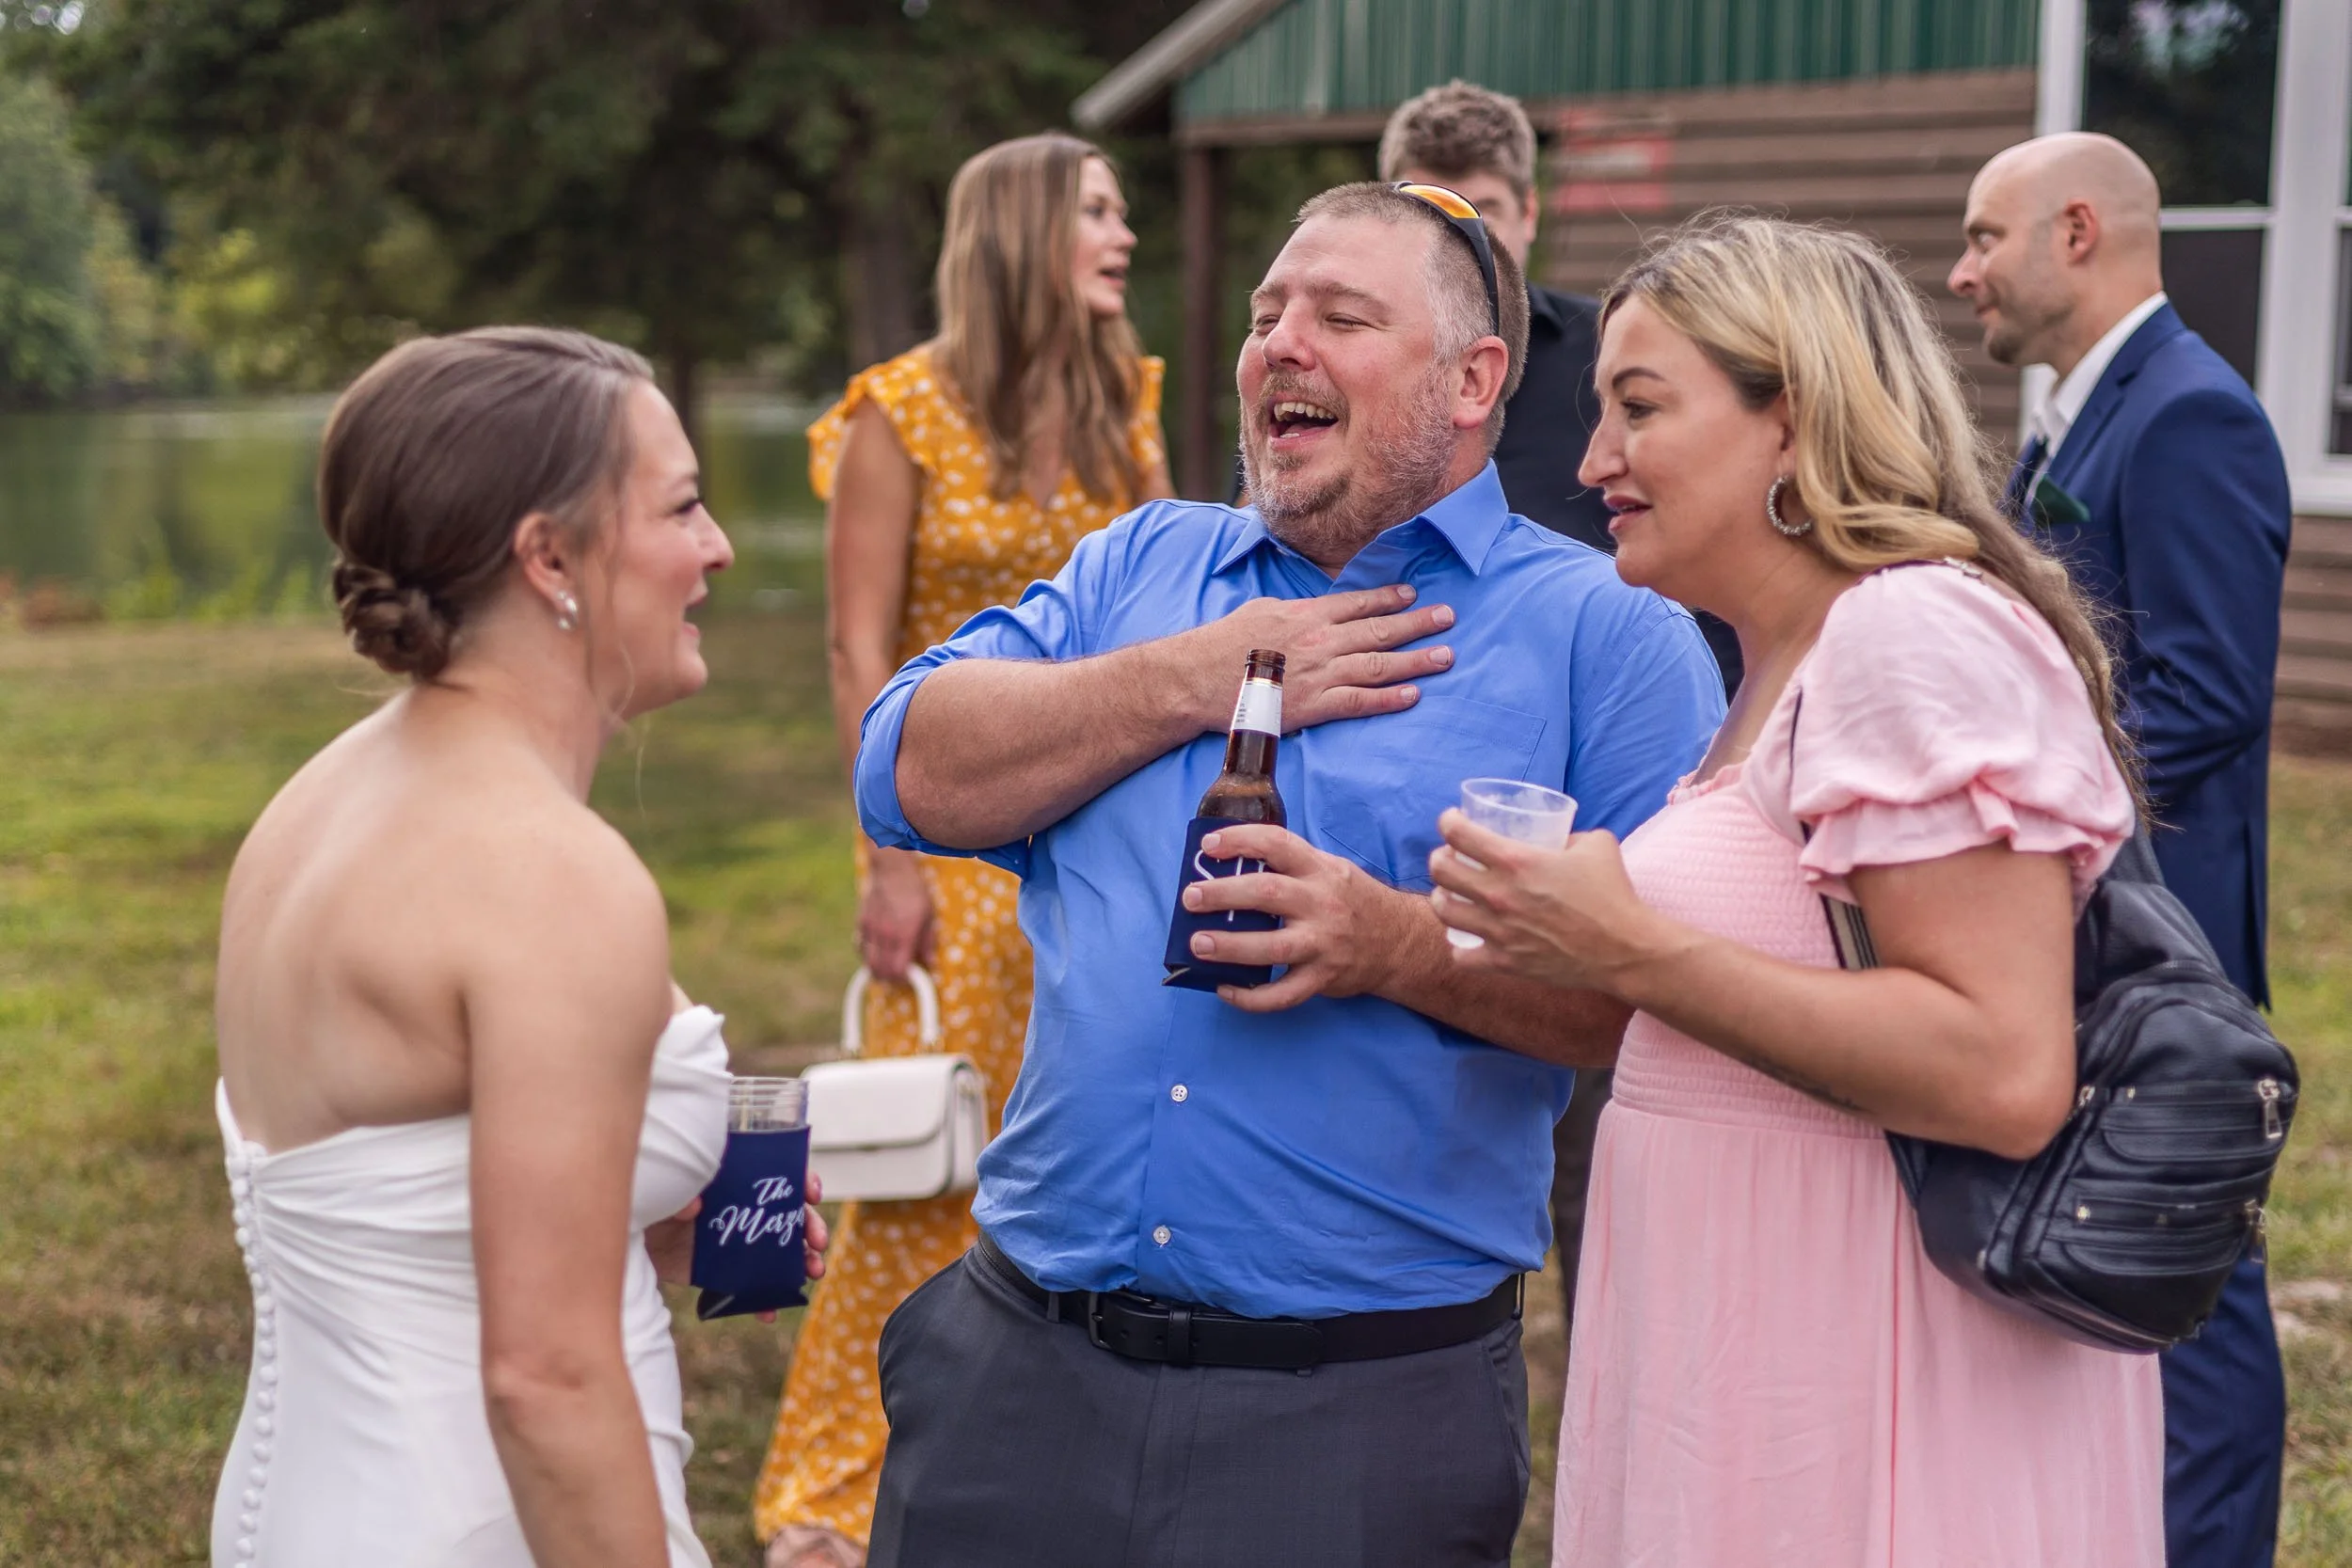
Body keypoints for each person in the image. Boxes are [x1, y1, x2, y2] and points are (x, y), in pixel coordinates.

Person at [852, 182, 1723, 1567]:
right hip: (1019, 1378)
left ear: (1472, 378)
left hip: (1356, 1421)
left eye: (1342, 315)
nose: (1281, 343)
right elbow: (900, 763)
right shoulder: (1145, 562)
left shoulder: (1608, 638)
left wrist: (1397, 946)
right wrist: (1197, 675)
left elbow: (1680, 1011)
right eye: (1267, 313)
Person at [1428, 214, 2166, 1565]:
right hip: (1750, 1355)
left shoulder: (1908, 630)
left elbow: (2005, 1066)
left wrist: (1632, 950)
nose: (1592, 462)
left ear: (1796, 417)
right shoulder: (1780, 661)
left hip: (1869, 1380)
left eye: (1639, 408)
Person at [210, 326, 827, 1567]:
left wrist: (633, 1216)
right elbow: (544, 1379)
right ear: (550, 554)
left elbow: (392, 1179)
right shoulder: (556, 879)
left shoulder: (318, 804)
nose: (716, 549)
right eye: (684, 506)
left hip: (307, 1508)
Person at [750, 132, 1170, 1568]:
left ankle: (1037, 1449)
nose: (1124, 232)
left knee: (1084, 1156)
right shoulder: (902, 410)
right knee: (914, 1175)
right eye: (1098, 210)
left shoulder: (1135, 406)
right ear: (1024, 233)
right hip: (952, 842)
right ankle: (828, 1490)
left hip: (1101, 830)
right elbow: (858, 639)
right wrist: (887, 855)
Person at [1947, 132, 2291, 1568]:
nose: (1962, 272)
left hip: (2166, 941)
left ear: (2076, 233)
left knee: (2187, 1268)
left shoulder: (2190, 416)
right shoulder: (2080, 415)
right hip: (2087, 929)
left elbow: (2206, 694)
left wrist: (2010, 811)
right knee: (2108, 1252)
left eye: (1984, 238)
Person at [1376, 79, 1740, 1341]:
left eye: (1485, 210)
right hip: (1430, 793)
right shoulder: (1373, 382)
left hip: (1625, 793)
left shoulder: (1606, 364)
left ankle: (1612, 1370)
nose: (1467, 237)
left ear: (1530, 212)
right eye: (1432, 212)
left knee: (1612, 1120)